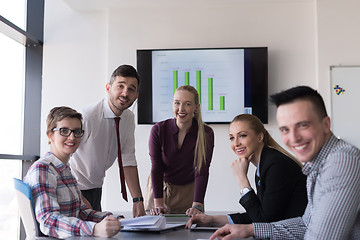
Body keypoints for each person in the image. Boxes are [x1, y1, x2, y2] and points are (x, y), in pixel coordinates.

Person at [210, 86, 360, 240]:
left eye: (302, 125)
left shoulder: (341, 161)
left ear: (326, 125)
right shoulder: (317, 165)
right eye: (285, 129)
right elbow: (305, 224)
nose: (294, 138)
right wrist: (251, 230)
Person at [186, 114, 307, 228]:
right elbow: (259, 214)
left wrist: (242, 179)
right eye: (232, 138)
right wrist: (212, 220)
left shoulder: (276, 165)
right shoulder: (265, 164)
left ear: (260, 137)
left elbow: (264, 222)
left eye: (242, 135)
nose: (236, 143)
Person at [24, 107, 122, 238]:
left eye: (77, 132)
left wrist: (113, 219)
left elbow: (81, 212)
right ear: (50, 135)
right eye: (64, 131)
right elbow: (48, 221)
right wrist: (93, 229)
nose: (72, 137)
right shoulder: (43, 169)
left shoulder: (65, 169)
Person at [69, 65, 145, 217]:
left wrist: (138, 200)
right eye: (120, 86)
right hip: (73, 188)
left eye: (131, 89)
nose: (125, 93)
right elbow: (63, 157)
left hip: (96, 188)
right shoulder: (87, 117)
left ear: (136, 95)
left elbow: (128, 159)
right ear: (108, 88)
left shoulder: (128, 118)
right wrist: (78, 197)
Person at [145, 85, 215, 216]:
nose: (181, 109)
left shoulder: (206, 133)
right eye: (177, 103)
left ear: (196, 107)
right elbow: (156, 168)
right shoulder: (158, 130)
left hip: (188, 194)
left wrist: (198, 205)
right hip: (159, 191)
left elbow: (202, 171)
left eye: (187, 104)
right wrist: (158, 204)